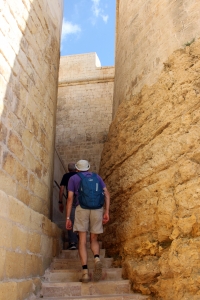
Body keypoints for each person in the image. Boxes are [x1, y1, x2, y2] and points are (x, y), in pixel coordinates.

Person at [66, 160, 110, 283]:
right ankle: (97, 258)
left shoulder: (73, 178)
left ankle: (85, 272)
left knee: (82, 240)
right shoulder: (97, 177)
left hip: (81, 209)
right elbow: (106, 194)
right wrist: (106, 211)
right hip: (97, 210)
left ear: (77, 169)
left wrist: (68, 217)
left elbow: (70, 198)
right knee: (94, 239)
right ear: (88, 168)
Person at [59, 162, 78, 250]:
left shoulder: (66, 176)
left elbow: (62, 189)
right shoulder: (79, 176)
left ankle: (73, 242)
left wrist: (60, 202)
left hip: (71, 199)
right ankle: (81, 240)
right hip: (81, 200)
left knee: (70, 219)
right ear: (76, 169)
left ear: (68, 169)